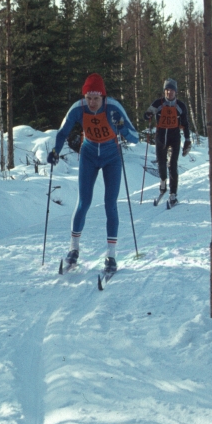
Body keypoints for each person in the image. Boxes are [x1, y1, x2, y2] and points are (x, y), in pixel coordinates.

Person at [46, 73, 139, 274]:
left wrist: (122, 127)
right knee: (84, 202)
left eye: (96, 98)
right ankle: (73, 250)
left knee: (110, 204)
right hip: (88, 155)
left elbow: (135, 138)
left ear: (103, 97)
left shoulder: (113, 107)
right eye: (88, 98)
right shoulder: (78, 108)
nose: (92, 103)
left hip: (111, 157)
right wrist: (55, 151)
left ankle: (111, 255)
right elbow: (62, 132)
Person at [143, 78, 192, 207]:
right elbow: (148, 113)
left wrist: (187, 140)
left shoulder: (180, 106)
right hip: (160, 138)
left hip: (174, 138)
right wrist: (148, 115)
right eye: (167, 90)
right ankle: (163, 183)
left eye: (171, 90)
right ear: (164, 91)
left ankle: (173, 194)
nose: (169, 93)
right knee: (161, 164)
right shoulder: (158, 103)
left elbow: (185, 124)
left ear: (175, 92)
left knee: (173, 165)